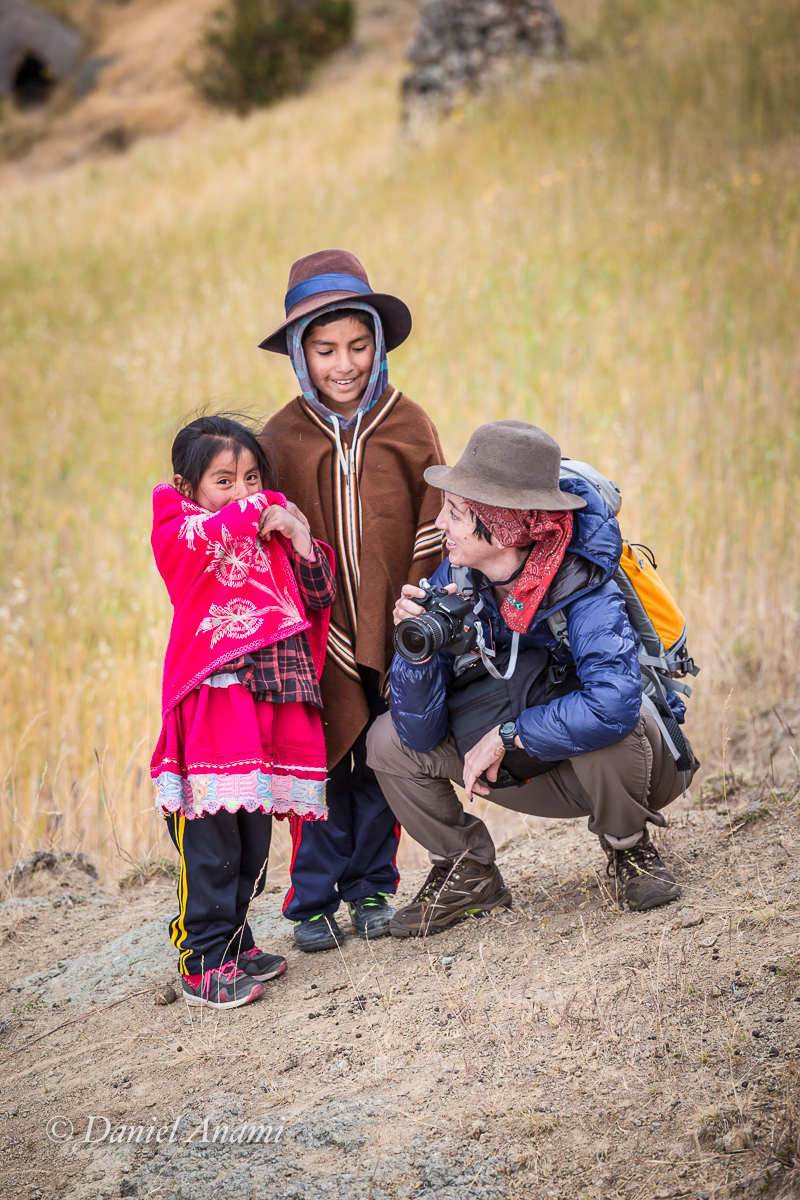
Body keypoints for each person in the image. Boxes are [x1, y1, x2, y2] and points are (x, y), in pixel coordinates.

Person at [366, 420, 699, 937]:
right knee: (386, 741)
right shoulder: (453, 578)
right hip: (535, 770)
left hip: (634, 766)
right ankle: (467, 870)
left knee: (607, 724)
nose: (441, 525)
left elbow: (612, 706)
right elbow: (419, 736)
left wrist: (506, 736)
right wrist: (416, 651)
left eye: (454, 513)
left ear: (501, 527)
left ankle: (630, 851)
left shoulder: (586, 584)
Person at [258, 249, 444, 952]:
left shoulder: (408, 424)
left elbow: (433, 523)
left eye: (359, 346)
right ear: (301, 356)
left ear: (378, 344)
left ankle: (372, 888)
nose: (345, 364)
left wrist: (418, 613)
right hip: (312, 638)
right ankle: (311, 900)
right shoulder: (278, 440)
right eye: (326, 349)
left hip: (396, 628)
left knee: (385, 757)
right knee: (322, 764)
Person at [150, 415, 335, 1006]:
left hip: (264, 704)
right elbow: (194, 548)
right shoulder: (178, 527)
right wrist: (260, 509)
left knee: (252, 835)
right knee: (211, 838)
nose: (245, 492)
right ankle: (200, 959)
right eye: (223, 481)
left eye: (253, 478)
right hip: (212, 704)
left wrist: (299, 537)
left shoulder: (274, 527)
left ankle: (235, 941)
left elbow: (315, 593)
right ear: (188, 488)